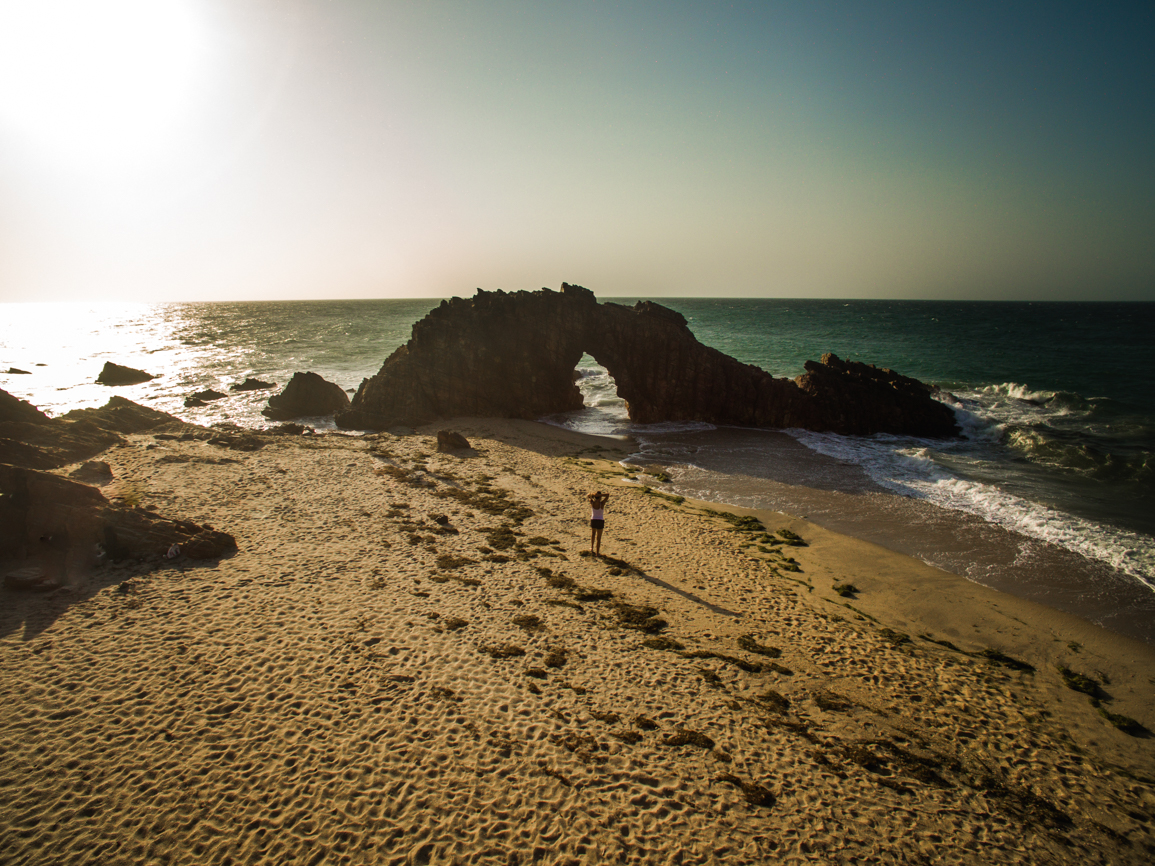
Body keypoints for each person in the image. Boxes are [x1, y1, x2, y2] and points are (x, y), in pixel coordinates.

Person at [588, 490, 610, 556]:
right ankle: (597, 552)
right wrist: (600, 495)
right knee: (598, 538)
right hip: (600, 520)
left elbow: (588, 495)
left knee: (593, 534)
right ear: (600, 497)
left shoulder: (592, 502)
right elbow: (607, 495)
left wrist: (595, 495)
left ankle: (592, 547)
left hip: (594, 520)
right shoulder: (602, 503)